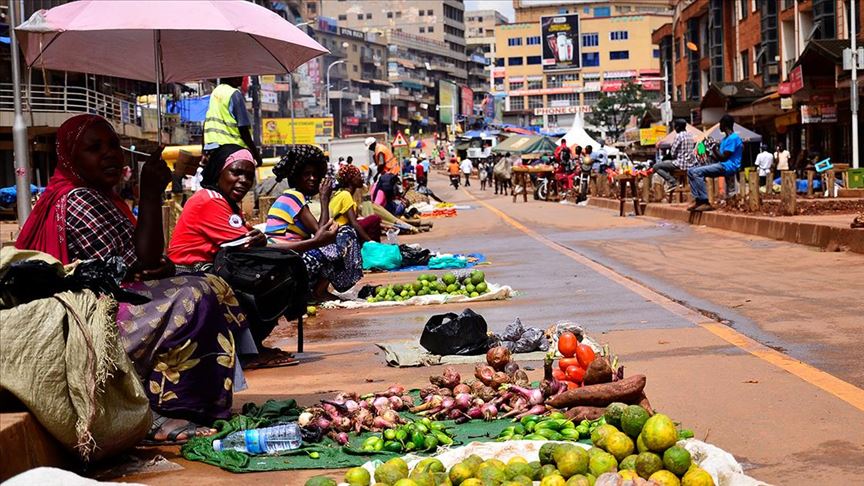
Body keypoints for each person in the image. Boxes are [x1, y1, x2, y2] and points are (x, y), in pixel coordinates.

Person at [15, 114, 246, 444]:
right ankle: (155, 408)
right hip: (86, 328)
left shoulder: (102, 196)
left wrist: (161, 267)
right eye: (94, 148)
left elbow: (142, 264)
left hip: (105, 308)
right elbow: (137, 267)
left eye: (113, 145)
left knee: (208, 283)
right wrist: (150, 193)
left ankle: (194, 403)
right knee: (193, 294)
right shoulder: (79, 199)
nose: (109, 153)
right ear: (69, 157)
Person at [265, 145, 362, 300]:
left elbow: (319, 234)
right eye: (307, 174)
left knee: (336, 238)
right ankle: (318, 292)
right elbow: (320, 235)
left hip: (287, 258)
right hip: (284, 261)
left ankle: (314, 291)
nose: (312, 178)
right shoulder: (293, 197)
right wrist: (324, 199)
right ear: (296, 177)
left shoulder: (296, 197)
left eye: (315, 174)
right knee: (346, 235)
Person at [687, 114, 744, 212]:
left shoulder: (733, 138)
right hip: (722, 165)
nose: (719, 127)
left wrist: (713, 147)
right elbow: (718, 157)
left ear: (725, 125)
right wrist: (709, 151)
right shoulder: (724, 139)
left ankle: (705, 201)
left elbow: (723, 157)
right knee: (690, 171)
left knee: (696, 172)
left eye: (720, 124)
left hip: (728, 166)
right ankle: (698, 200)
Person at [203, 77, 261, 164]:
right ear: (231, 77)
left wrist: (203, 151)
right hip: (233, 147)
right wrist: (256, 154)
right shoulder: (234, 93)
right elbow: (243, 129)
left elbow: (206, 123)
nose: (241, 78)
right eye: (238, 75)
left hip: (212, 147)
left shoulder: (216, 92)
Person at [330, 164, 382, 242]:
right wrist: (370, 241)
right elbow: (354, 223)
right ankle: (373, 248)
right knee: (374, 219)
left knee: (371, 220)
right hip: (342, 232)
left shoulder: (342, 193)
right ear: (351, 179)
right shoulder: (345, 195)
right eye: (359, 176)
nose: (362, 179)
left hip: (342, 229)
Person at [654, 119, 696, 193]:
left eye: (675, 127)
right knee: (666, 162)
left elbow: (673, 153)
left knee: (656, 166)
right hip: (690, 164)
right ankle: (675, 182)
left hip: (680, 164)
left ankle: (672, 182)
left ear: (678, 127)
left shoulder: (678, 136)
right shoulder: (690, 136)